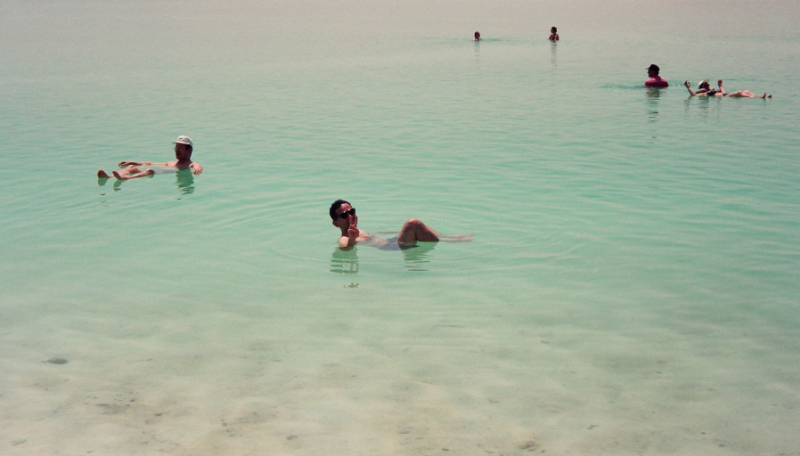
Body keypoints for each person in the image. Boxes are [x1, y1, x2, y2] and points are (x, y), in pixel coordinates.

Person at [329, 199, 473, 250]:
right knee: (412, 223)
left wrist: (395, 232)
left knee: (417, 226)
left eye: (351, 211)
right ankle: (448, 240)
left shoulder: (358, 230)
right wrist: (352, 239)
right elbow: (345, 247)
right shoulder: (344, 237)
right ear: (336, 223)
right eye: (344, 215)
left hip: (392, 241)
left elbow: (374, 235)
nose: (350, 216)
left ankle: (449, 238)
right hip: (391, 247)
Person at [97, 135, 203, 180]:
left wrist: (198, 168)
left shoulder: (188, 164)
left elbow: (195, 165)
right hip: (151, 169)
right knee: (132, 168)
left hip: (154, 173)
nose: (177, 150)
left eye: (181, 147)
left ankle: (126, 178)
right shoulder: (171, 163)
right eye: (176, 147)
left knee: (150, 171)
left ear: (189, 150)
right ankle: (109, 177)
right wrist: (134, 162)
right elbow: (150, 163)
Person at [683, 79, 772, 98]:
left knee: (746, 91)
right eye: (705, 85)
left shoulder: (713, 90)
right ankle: (760, 98)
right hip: (726, 97)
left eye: (707, 84)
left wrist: (720, 85)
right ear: (703, 87)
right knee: (739, 92)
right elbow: (694, 94)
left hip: (725, 94)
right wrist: (688, 88)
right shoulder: (705, 93)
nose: (707, 86)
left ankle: (760, 96)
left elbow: (723, 92)